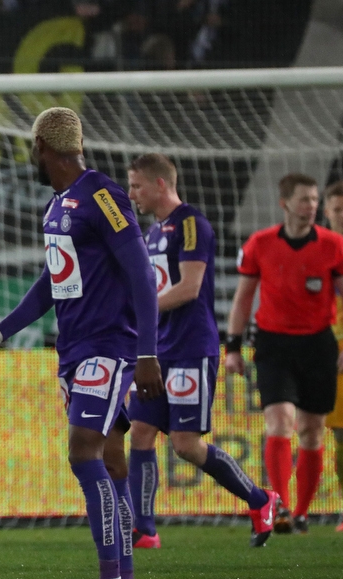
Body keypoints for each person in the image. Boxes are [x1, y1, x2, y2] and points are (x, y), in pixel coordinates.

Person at [0, 108, 162, 579]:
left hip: (109, 348)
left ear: (42, 149)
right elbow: (54, 283)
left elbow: (143, 274)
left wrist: (148, 353)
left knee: (83, 452)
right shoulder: (57, 208)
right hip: (73, 350)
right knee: (112, 462)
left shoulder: (102, 196)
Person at [124, 153, 279, 550]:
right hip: (158, 350)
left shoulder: (191, 224)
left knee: (185, 444)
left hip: (192, 348)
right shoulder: (153, 232)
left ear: (161, 184)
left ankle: (260, 500)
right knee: (139, 432)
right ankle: (145, 529)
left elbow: (190, 287)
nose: (132, 193)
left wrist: (144, 308)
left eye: (137, 185)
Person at [225, 173, 343, 535]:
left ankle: (302, 513)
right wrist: (232, 346)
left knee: (312, 430)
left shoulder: (333, 245)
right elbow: (244, 297)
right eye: (303, 199)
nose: (310, 206)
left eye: (313, 199)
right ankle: (279, 504)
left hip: (318, 344)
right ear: (285, 204)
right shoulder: (260, 244)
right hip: (273, 344)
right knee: (280, 422)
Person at [310, 180, 343, 532]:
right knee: (339, 437)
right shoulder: (320, 250)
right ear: (327, 212)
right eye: (337, 208)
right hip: (328, 357)